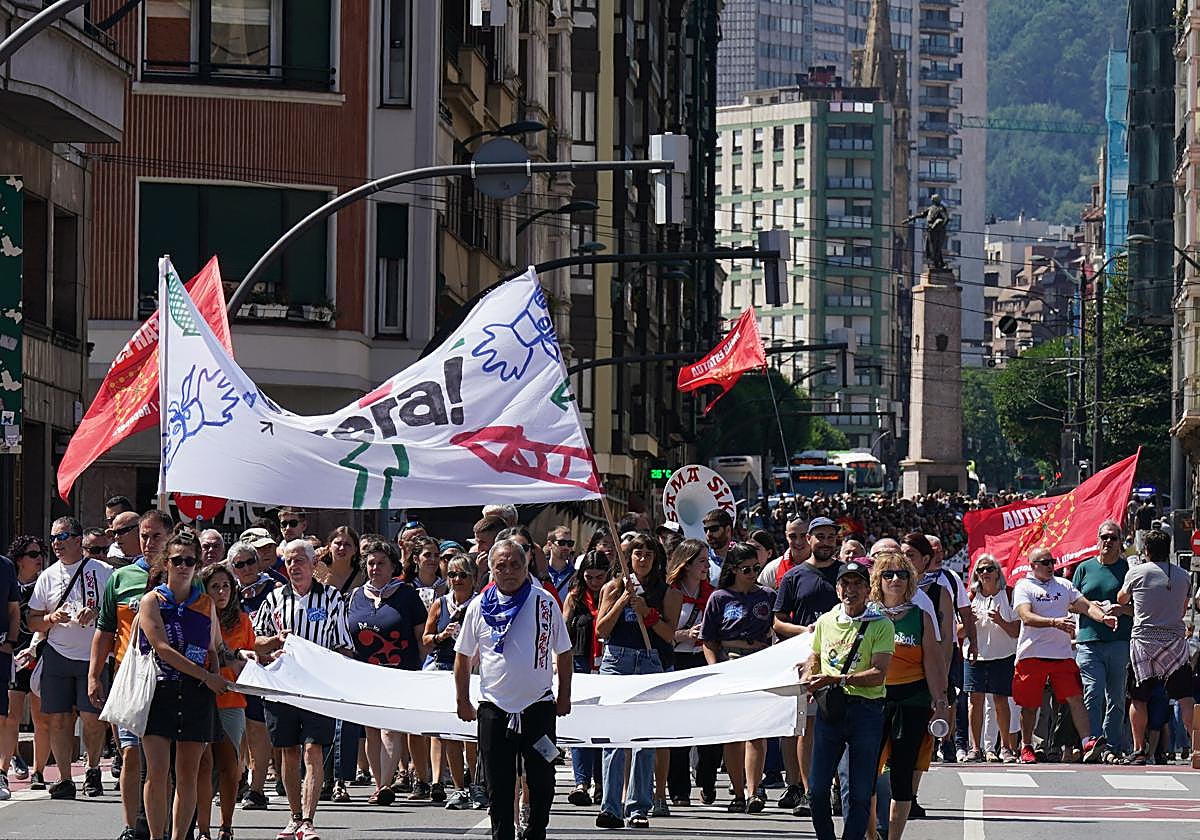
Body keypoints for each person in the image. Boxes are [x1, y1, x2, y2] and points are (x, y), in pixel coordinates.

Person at [454, 539, 573, 840]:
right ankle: (502, 834)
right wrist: (462, 700)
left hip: (538, 705)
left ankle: (535, 832)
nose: (509, 571)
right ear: (491, 569)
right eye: (501, 566)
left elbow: (564, 651)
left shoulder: (544, 602)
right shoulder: (479, 606)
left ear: (526, 566)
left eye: (515, 565)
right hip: (495, 706)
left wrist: (564, 696)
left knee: (542, 778)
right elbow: (463, 655)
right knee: (498, 783)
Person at [253, 539, 353, 840]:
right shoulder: (272, 599)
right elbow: (255, 641)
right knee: (288, 753)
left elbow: (344, 645)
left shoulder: (333, 598)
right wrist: (273, 644)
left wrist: (334, 672)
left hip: (315, 687)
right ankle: (294, 817)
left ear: (313, 564)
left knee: (313, 749)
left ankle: (309, 819)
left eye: (299, 560)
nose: (294, 566)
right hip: (282, 686)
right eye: (289, 562)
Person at [137, 531, 228, 840]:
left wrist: (216, 677)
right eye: (177, 560)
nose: (184, 566)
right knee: (158, 771)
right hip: (160, 690)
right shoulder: (152, 600)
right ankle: (155, 835)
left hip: (196, 695)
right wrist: (207, 676)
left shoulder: (205, 604)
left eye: (190, 560)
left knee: (188, 773)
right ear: (166, 563)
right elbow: (161, 647)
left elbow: (214, 649)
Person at [88, 510, 171, 836]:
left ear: (170, 536)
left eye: (156, 536)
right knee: (130, 753)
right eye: (144, 536)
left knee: (164, 761)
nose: (149, 543)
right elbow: (104, 631)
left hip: (168, 680)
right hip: (129, 678)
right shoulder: (121, 579)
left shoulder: (180, 575)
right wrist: (94, 674)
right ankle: (130, 826)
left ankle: (161, 827)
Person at [798, 561, 894, 840]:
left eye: (857, 584)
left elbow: (878, 674)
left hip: (867, 711)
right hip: (832, 708)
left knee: (860, 792)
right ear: (837, 588)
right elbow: (815, 655)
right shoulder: (827, 621)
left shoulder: (880, 624)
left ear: (867, 589)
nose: (850, 590)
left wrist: (836, 679)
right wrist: (807, 672)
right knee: (816, 790)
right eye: (845, 583)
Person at [593, 534, 679, 829]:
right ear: (628, 557)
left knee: (644, 739)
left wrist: (647, 613)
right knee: (614, 737)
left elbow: (670, 635)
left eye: (648, 554)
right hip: (618, 661)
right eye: (637, 553)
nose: (642, 559)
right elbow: (601, 630)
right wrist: (621, 602)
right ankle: (611, 807)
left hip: (650, 661)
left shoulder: (669, 592)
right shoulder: (612, 587)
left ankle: (638, 806)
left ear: (656, 559)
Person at [29, 515, 113, 800]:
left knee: (92, 718)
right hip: (58, 654)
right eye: (53, 538)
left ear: (78, 540)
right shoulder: (48, 576)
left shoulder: (102, 571)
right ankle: (65, 778)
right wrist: (52, 618)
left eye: (62, 537)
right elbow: (32, 620)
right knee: (59, 720)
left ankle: (92, 769)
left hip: (93, 656)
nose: (56, 543)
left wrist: (97, 612)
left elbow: (117, 614)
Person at [1011, 547, 1118, 764]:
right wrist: (1054, 622)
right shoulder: (1024, 586)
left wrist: (1103, 618)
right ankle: (1026, 746)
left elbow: (1086, 606)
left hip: (1061, 654)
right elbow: (1025, 616)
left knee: (1075, 697)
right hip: (1032, 653)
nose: (1051, 566)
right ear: (1033, 566)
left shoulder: (1064, 585)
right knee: (1031, 705)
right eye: (1045, 562)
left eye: (1052, 561)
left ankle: (1087, 741)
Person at [870, 551, 947, 840]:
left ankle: (893, 837)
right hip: (874, 700)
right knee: (866, 775)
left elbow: (934, 664)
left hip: (912, 702)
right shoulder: (868, 615)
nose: (895, 580)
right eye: (888, 574)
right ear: (878, 579)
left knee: (902, 777)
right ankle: (869, 834)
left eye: (902, 574)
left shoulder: (921, 616)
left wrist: (941, 704)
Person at [346, 540, 429, 804]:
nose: (375, 568)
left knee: (390, 730)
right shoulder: (356, 597)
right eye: (370, 563)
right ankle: (378, 782)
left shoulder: (407, 595)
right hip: (366, 674)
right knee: (371, 729)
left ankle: (384, 784)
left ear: (393, 566)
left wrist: (419, 671)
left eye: (381, 563)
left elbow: (421, 637)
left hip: (400, 673)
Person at [772, 516, 841, 814]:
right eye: (820, 536)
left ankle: (839, 789)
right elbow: (777, 622)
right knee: (806, 729)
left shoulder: (848, 574)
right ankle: (811, 792)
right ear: (809, 539)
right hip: (805, 664)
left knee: (839, 729)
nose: (826, 542)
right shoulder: (794, 577)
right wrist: (806, 631)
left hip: (843, 664)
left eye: (831, 537)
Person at [700, 543, 776, 814]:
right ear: (733, 569)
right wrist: (715, 668)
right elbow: (708, 639)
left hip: (759, 661)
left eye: (756, 568)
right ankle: (738, 790)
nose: (752, 573)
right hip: (729, 661)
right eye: (746, 569)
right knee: (733, 733)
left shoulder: (767, 595)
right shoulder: (719, 598)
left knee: (757, 730)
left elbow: (776, 628)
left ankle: (754, 791)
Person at [1117, 528, 1196, 764]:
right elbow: (1183, 609)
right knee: (1185, 698)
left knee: (1139, 698)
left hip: (1144, 642)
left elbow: (1121, 598)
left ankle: (1139, 749)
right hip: (1174, 643)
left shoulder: (1137, 572)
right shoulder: (1183, 576)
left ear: (1146, 551)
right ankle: (1196, 746)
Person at [198, 563, 254, 840]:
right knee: (203, 766)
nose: (221, 592)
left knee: (230, 767)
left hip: (232, 701)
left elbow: (250, 659)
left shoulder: (243, 620)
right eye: (215, 587)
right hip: (201, 698)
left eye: (226, 586)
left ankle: (226, 826)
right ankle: (203, 828)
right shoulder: (197, 616)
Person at [665, 539, 722, 807]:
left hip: (704, 662)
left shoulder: (713, 594)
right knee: (677, 729)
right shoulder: (670, 593)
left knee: (709, 726)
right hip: (678, 661)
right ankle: (678, 789)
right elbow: (662, 633)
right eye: (701, 561)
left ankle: (707, 780)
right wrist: (685, 634)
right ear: (686, 564)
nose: (706, 566)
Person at [1071, 520, 1133, 760]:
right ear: (1097, 540)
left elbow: (1139, 608)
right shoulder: (1084, 569)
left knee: (1116, 698)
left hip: (1119, 642)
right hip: (1089, 641)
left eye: (1113, 538)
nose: (1107, 542)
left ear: (1120, 542)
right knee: (1093, 692)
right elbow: (1071, 603)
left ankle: (1111, 746)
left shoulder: (1128, 570)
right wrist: (1089, 607)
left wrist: (1122, 610)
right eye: (1104, 537)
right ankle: (1093, 742)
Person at [423, 553, 479, 810]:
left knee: (473, 735)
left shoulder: (480, 603)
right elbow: (425, 638)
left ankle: (478, 784)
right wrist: (440, 636)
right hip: (444, 668)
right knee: (450, 733)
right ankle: (459, 788)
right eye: (452, 574)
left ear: (473, 578)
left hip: (473, 671)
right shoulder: (440, 604)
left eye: (462, 575)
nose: (457, 579)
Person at [226, 541, 276, 812]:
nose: (246, 568)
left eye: (250, 562)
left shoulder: (274, 590)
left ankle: (257, 789)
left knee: (257, 730)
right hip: (233, 669)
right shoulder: (228, 592)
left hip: (262, 671)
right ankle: (236, 779)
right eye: (239, 564)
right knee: (237, 731)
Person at [562, 552, 610, 808]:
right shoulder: (575, 597)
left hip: (606, 665)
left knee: (602, 728)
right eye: (589, 577)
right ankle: (581, 782)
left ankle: (603, 783)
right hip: (580, 663)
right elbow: (561, 627)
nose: (594, 581)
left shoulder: (613, 593)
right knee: (581, 727)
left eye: (599, 577)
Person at [2, 537, 49, 793]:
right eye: (32, 554)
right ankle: (5, 767)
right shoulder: (10, 583)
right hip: (13, 655)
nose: (39, 558)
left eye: (41, 553)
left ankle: (38, 771)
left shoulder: (45, 584)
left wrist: (33, 649)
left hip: (39, 655)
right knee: (11, 716)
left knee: (41, 719)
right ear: (19, 559)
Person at [964, 554, 1019, 763]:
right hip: (975, 655)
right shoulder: (970, 597)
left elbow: (1016, 631)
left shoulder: (1009, 595)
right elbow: (958, 632)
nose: (985, 573)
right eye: (981, 570)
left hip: (1002, 655)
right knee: (975, 700)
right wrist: (970, 621)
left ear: (997, 572)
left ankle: (1005, 748)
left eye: (989, 569)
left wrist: (1001, 621)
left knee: (1001, 701)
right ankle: (975, 748)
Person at [0, 543, 19, 802]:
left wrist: (11, 642)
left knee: (1, 717)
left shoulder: (5, 566)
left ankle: (0, 773)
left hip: (0, 650)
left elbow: (14, 609)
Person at [758, 516, 810, 589]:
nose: (798, 542)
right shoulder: (773, 568)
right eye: (792, 536)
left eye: (803, 536)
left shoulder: (825, 564)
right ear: (786, 536)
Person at [544, 525, 577, 601]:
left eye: (570, 543)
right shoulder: (540, 573)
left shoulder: (575, 576)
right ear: (550, 545)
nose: (566, 547)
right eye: (561, 543)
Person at [702, 509, 734, 583]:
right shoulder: (700, 559)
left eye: (713, 529)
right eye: (705, 530)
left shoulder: (741, 557)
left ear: (728, 530)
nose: (708, 534)